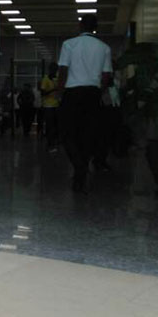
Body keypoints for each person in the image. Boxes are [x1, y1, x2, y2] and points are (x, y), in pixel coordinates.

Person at [56, 14, 112, 193]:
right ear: (95, 28)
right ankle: (82, 167)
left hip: (72, 93)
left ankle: (79, 166)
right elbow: (106, 76)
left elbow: (63, 70)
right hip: (93, 94)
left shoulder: (69, 44)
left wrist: (60, 92)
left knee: (67, 133)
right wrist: (98, 91)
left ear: (80, 26)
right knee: (88, 134)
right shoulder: (104, 47)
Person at [40, 62, 60, 151]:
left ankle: (55, 142)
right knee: (50, 125)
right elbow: (43, 93)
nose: (55, 71)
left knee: (56, 125)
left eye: (56, 69)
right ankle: (50, 143)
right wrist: (53, 89)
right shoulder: (46, 79)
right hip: (48, 105)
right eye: (53, 69)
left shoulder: (57, 79)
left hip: (57, 104)